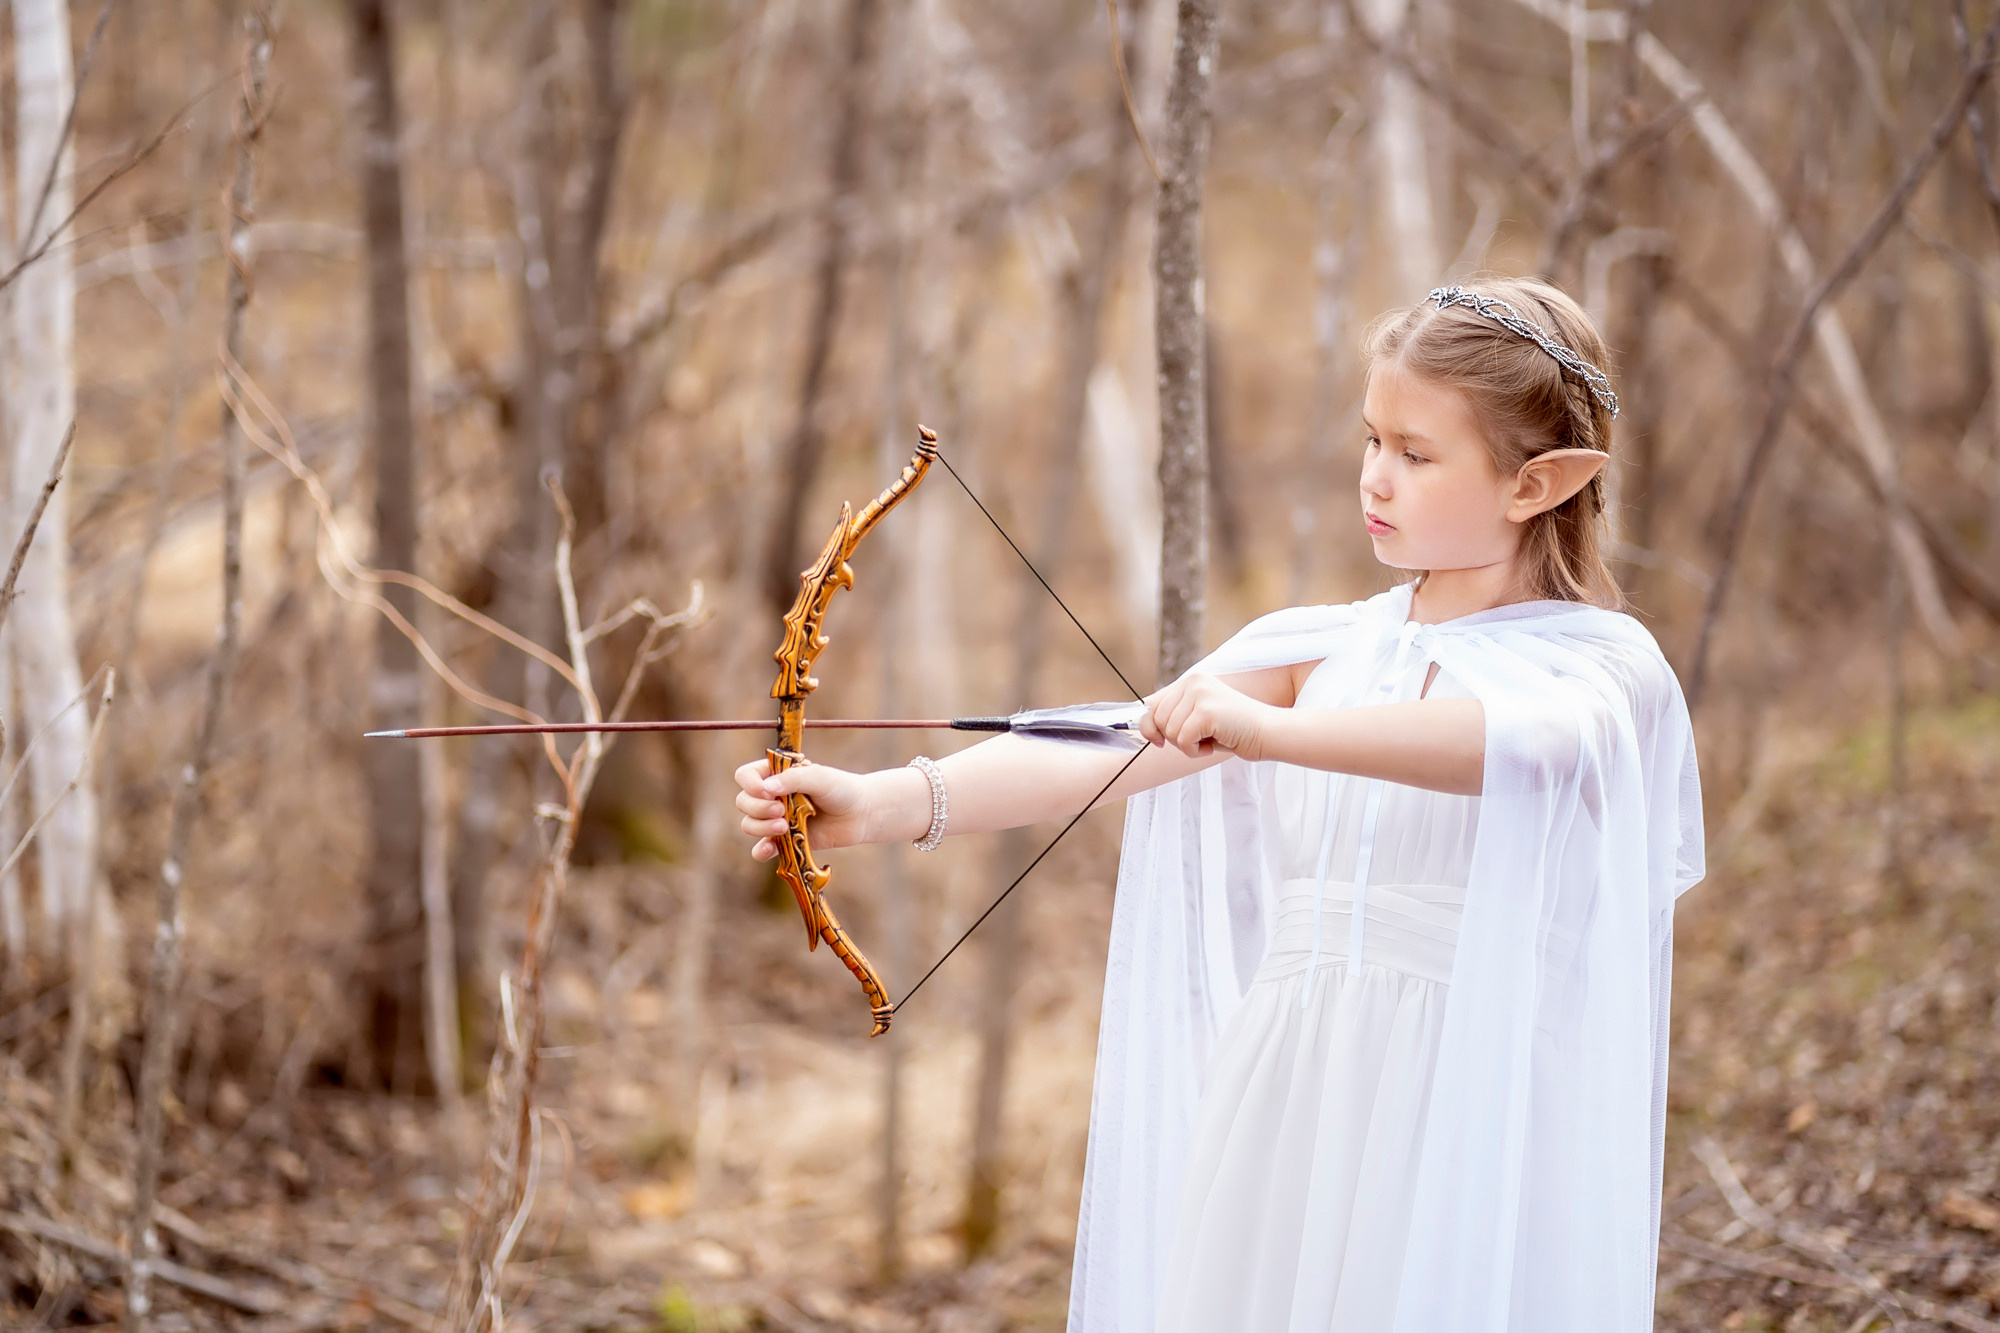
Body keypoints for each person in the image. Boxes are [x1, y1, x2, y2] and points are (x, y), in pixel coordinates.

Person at [735, 277, 1705, 1333]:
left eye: (1417, 454)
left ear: (1537, 483)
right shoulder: (1322, 646)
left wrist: (1271, 732)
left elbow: (1521, 744)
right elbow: (1116, 743)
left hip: (1463, 1101)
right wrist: (875, 803)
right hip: (1290, 1092)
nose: (1375, 476)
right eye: (1371, 439)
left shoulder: (1599, 671)